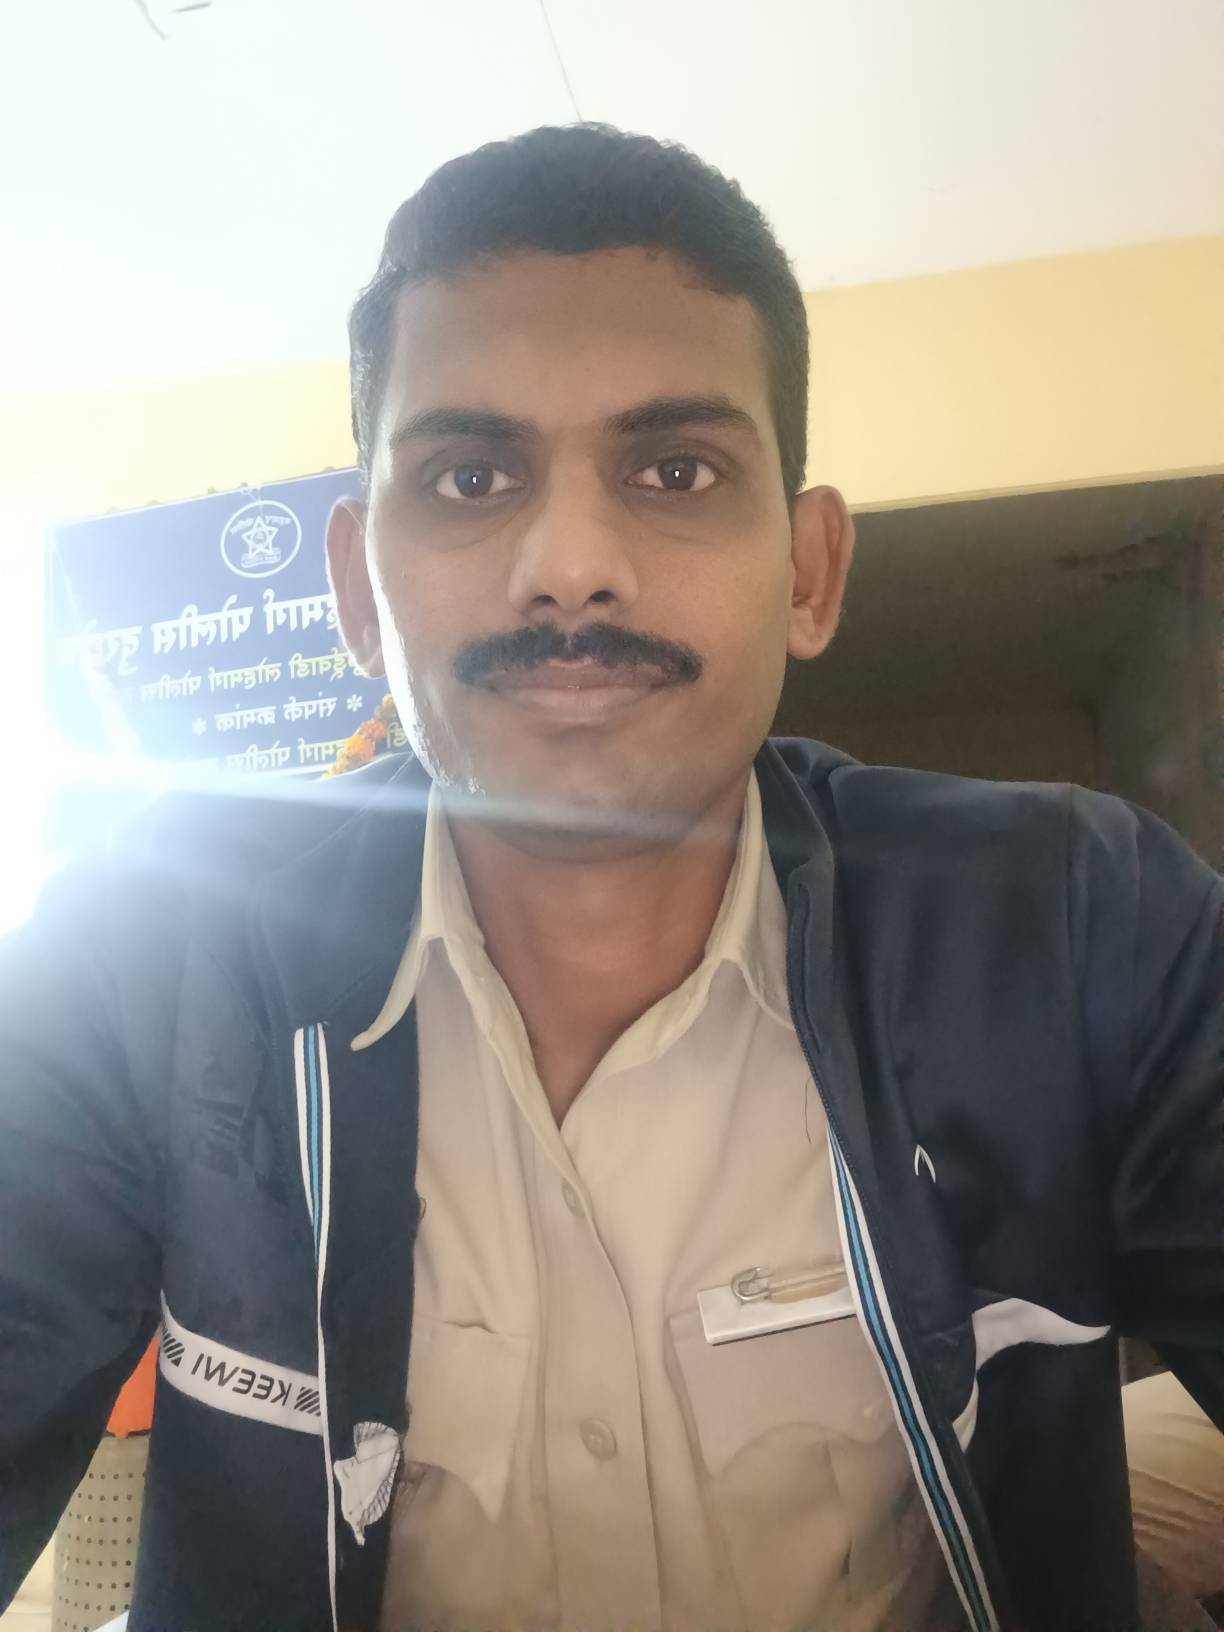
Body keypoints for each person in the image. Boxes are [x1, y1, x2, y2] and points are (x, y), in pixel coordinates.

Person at [1, 124, 1221, 1632]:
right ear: (357, 593)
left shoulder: (1083, 926)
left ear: (810, 570)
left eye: (674, 468)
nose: (568, 562)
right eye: (469, 476)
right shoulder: (150, 948)